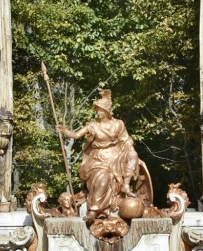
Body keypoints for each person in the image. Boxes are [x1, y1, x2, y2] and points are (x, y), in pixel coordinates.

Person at [58, 89, 151, 222]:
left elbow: (126, 142)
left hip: (116, 157)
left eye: (101, 109)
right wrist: (64, 131)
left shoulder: (118, 124)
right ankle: (93, 211)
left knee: (132, 154)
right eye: (97, 110)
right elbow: (77, 135)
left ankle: (125, 184)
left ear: (107, 111)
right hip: (98, 160)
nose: (98, 112)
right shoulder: (93, 126)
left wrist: (134, 158)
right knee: (103, 178)